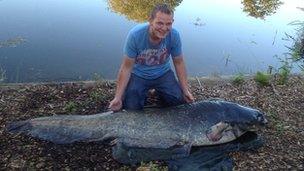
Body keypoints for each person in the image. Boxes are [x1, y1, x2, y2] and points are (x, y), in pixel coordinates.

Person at [109, 3, 194, 111]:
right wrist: (118, 97)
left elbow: (179, 63)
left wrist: (185, 90)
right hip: (139, 74)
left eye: (168, 24)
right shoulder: (135, 35)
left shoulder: (174, 35)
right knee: (131, 107)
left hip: (163, 73)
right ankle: (144, 94)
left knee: (178, 101)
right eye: (159, 23)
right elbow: (126, 67)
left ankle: (159, 93)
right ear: (150, 21)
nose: (164, 28)